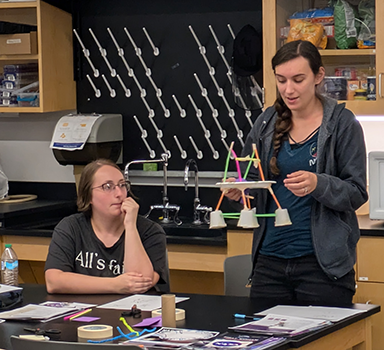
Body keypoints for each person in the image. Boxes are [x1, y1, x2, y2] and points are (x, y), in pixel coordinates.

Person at [224, 40, 368, 306]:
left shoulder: (342, 125)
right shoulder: (266, 122)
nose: (288, 90)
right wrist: (240, 189)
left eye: (298, 79)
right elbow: (252, 181)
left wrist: (318, 183)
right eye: (281, 80)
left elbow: (357, 193)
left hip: (323, 268)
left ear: (318, 76)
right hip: (269, 263)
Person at [45, 159, 168, 294]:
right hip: (83, 311)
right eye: (107, 187)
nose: (119, 194)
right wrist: (115, 284)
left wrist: (130, 226)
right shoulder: (71, 228)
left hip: (133, 311)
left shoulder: (150, 231)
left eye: (122, 185)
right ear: (88, 196)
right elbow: (53, 281)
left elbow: (139, 283)